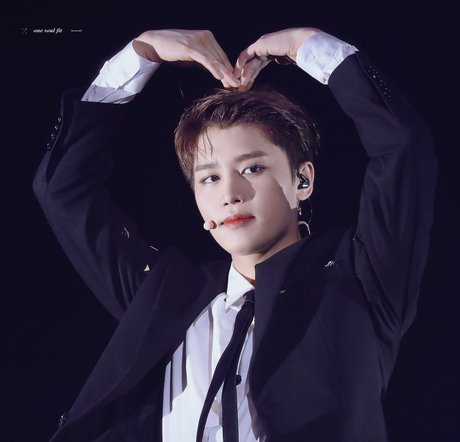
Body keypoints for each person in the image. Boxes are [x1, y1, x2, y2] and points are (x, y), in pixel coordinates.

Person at [33, 26, 437, 442]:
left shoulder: (358, 282)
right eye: (209, 178)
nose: (230, 194)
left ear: (302, 180)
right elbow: (62, 191)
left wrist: (309, 45)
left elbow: (403, 150)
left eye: (252, 168)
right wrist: (140, 54)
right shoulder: (165, 296)